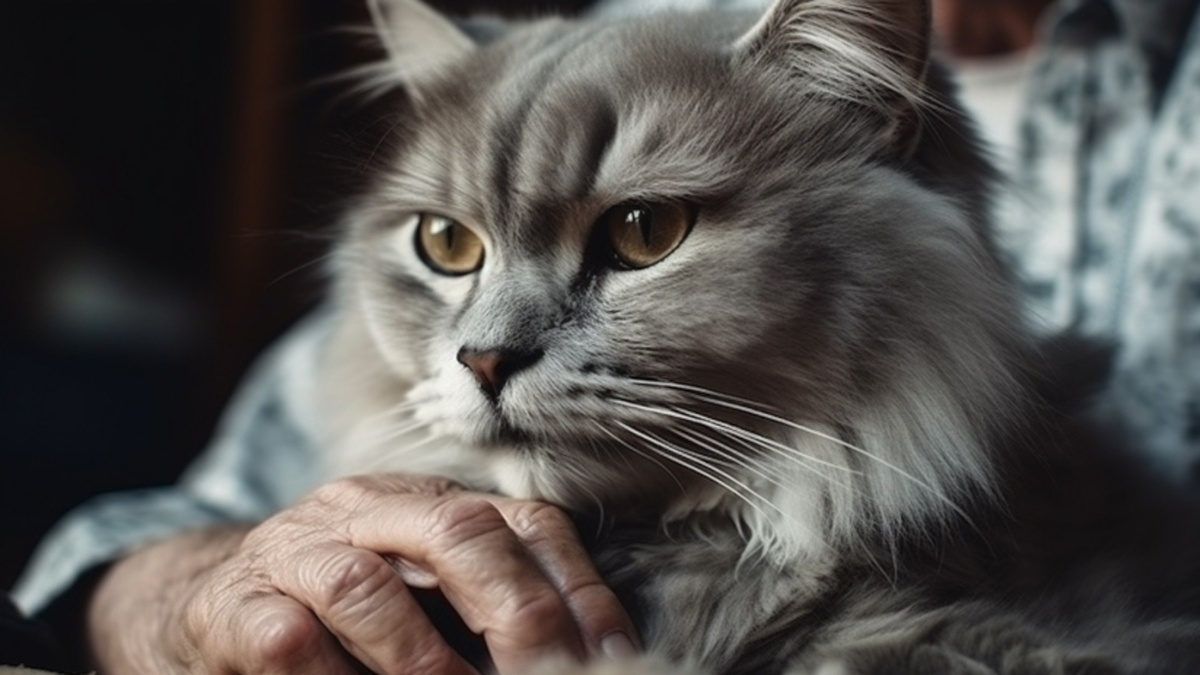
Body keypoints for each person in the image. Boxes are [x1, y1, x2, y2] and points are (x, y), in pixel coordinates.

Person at [11, 0, 1200, 671]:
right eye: (454, 251)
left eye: (638, 233)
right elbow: (128, 550)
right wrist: (202, 596)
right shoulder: (599, 52)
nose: (491, 343)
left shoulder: (778, 75)